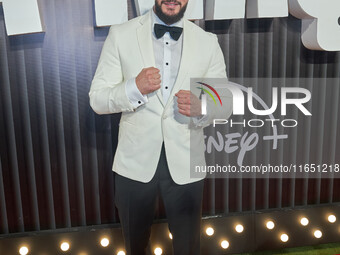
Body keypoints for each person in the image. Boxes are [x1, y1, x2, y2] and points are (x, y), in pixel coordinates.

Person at [89, 0, 230, 254]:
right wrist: (134, 87)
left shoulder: (207, 41)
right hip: (134, 163)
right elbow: (97, 99)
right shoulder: (121, 35)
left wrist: (202, 108)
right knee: (135, 246)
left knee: (188, 247)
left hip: (187, 162)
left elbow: (225, 104)